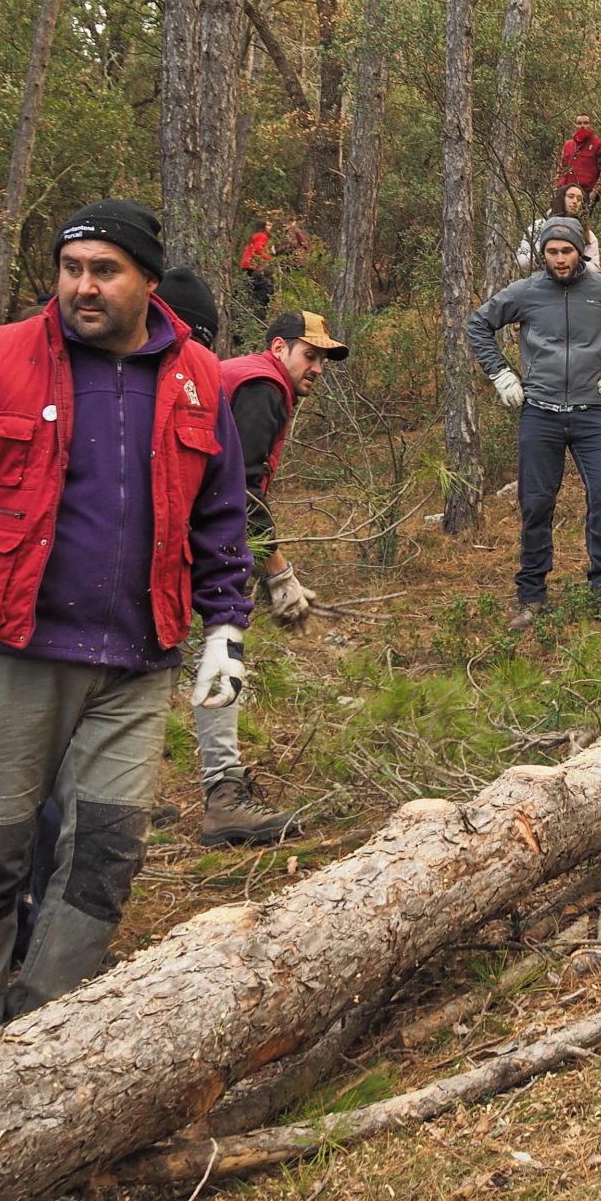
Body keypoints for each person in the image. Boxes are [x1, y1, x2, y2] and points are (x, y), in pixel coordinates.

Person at [0, 200, 252, 1040]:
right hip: (12, 649)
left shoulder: (197, 376)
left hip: (138, 659)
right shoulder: (2, 360)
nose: (83, 286)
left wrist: (226, 629)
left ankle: (45, 1030)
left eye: (104, 270)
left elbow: (220, 516)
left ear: (147, 281)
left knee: (107, 852)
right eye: (71, 269)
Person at [469, 217, 601, 633]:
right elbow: (478, 324)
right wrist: (501, 374)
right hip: (539, 412)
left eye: (567, 251)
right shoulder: (526, 292)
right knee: (536, 504)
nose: (559, 259)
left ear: (580, 252)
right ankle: (531, 596)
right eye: (552, 252)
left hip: (592, 411)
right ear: (543, 254)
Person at [206, 308, 350, 846]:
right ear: (278, 348)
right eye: (309, 356)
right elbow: (239, 491)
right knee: (220, 650)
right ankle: (223, 797)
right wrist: (278, 573)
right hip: (196, 535)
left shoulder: (247, 377)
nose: (317, 369)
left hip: (180, 526)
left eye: (323, 361)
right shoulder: (263, 386)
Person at [516, 184, 601, 273]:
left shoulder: (587, 234)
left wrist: (576, 262)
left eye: (579, 199)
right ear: (561, 198)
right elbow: (520, 260)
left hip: (574, 281)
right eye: (571, 197)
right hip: (540, 279)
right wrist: (540, 259)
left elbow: (595, 268)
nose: (575, 201)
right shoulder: (538, 226)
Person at [555, 114, 601, 205]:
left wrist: (594, 195)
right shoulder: (567, 145)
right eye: (579, 123)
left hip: (585, 194)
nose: (582, 126)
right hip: (565, 193)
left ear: (591, 126)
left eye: (585, 123)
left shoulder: (599, 145)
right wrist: (557, 190)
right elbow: (560, 169)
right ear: (575, 126)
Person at [239, 220, 276, 322]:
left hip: (247, 264)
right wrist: (269, 259)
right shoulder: (262, 236)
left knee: (250, 287)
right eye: (268, 225)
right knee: (259, 288)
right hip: (253, 265)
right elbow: (258, 250)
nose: (270, 227)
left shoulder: (255, 235)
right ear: (263, 226)